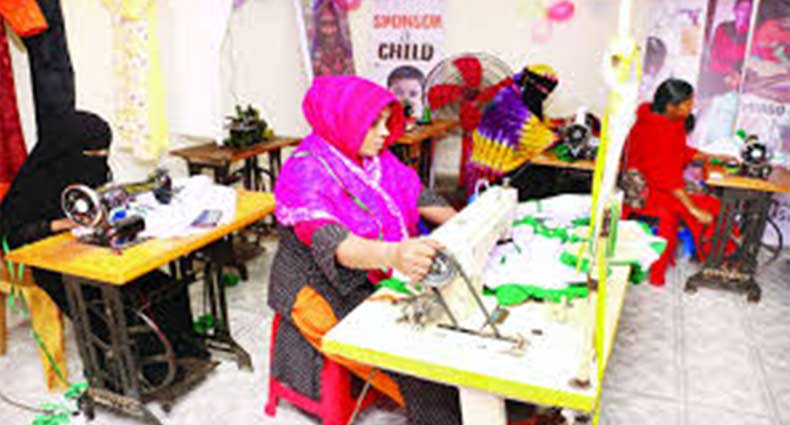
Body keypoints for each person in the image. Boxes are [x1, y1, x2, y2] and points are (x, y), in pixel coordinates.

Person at [269, 76, 461, 424]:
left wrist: (466, 224)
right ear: (343, 121)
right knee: (415, 357)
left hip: (368, 270)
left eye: (387, 122)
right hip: (319, 285)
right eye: (374, 124)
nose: (385, 133)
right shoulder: (305, 172)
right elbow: (336, 245)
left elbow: (418, 195)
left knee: (447, 328)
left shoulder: (376, 160)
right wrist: (395, 255)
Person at [0, 110, 205, 387]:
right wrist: (62, 224)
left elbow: (98, 198)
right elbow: (14, 234)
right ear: (67, 150)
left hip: (90, 250)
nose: (99, 161)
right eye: (92, 154)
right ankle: (139, 374)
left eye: (103, 154)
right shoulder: (33, 184)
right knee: (113, 304)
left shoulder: (86, 168)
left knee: (164, 287)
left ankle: (181, 351)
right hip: (51, 264)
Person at [622, 79, 734, 286]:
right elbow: (667, 178)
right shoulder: (655, 129)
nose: (692, 106)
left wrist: (711, 156)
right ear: (670, 106)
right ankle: (720, 261)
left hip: (662, 183)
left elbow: (679, 152)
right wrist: (694, 209)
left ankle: (718, 257)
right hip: (648, 191)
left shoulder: (670, 121)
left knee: (712, 202)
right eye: (687, 103)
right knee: (711, 206)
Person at [702, 0, 753, 97]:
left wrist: (738, 76)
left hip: (740, 80)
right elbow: (714, 58)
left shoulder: (752, 33)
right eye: (741, 8)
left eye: (748, 9)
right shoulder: (723, 28)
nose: (744, 12)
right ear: (735, 9)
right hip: (718, 77)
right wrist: (730, 72)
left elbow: (751, 60)